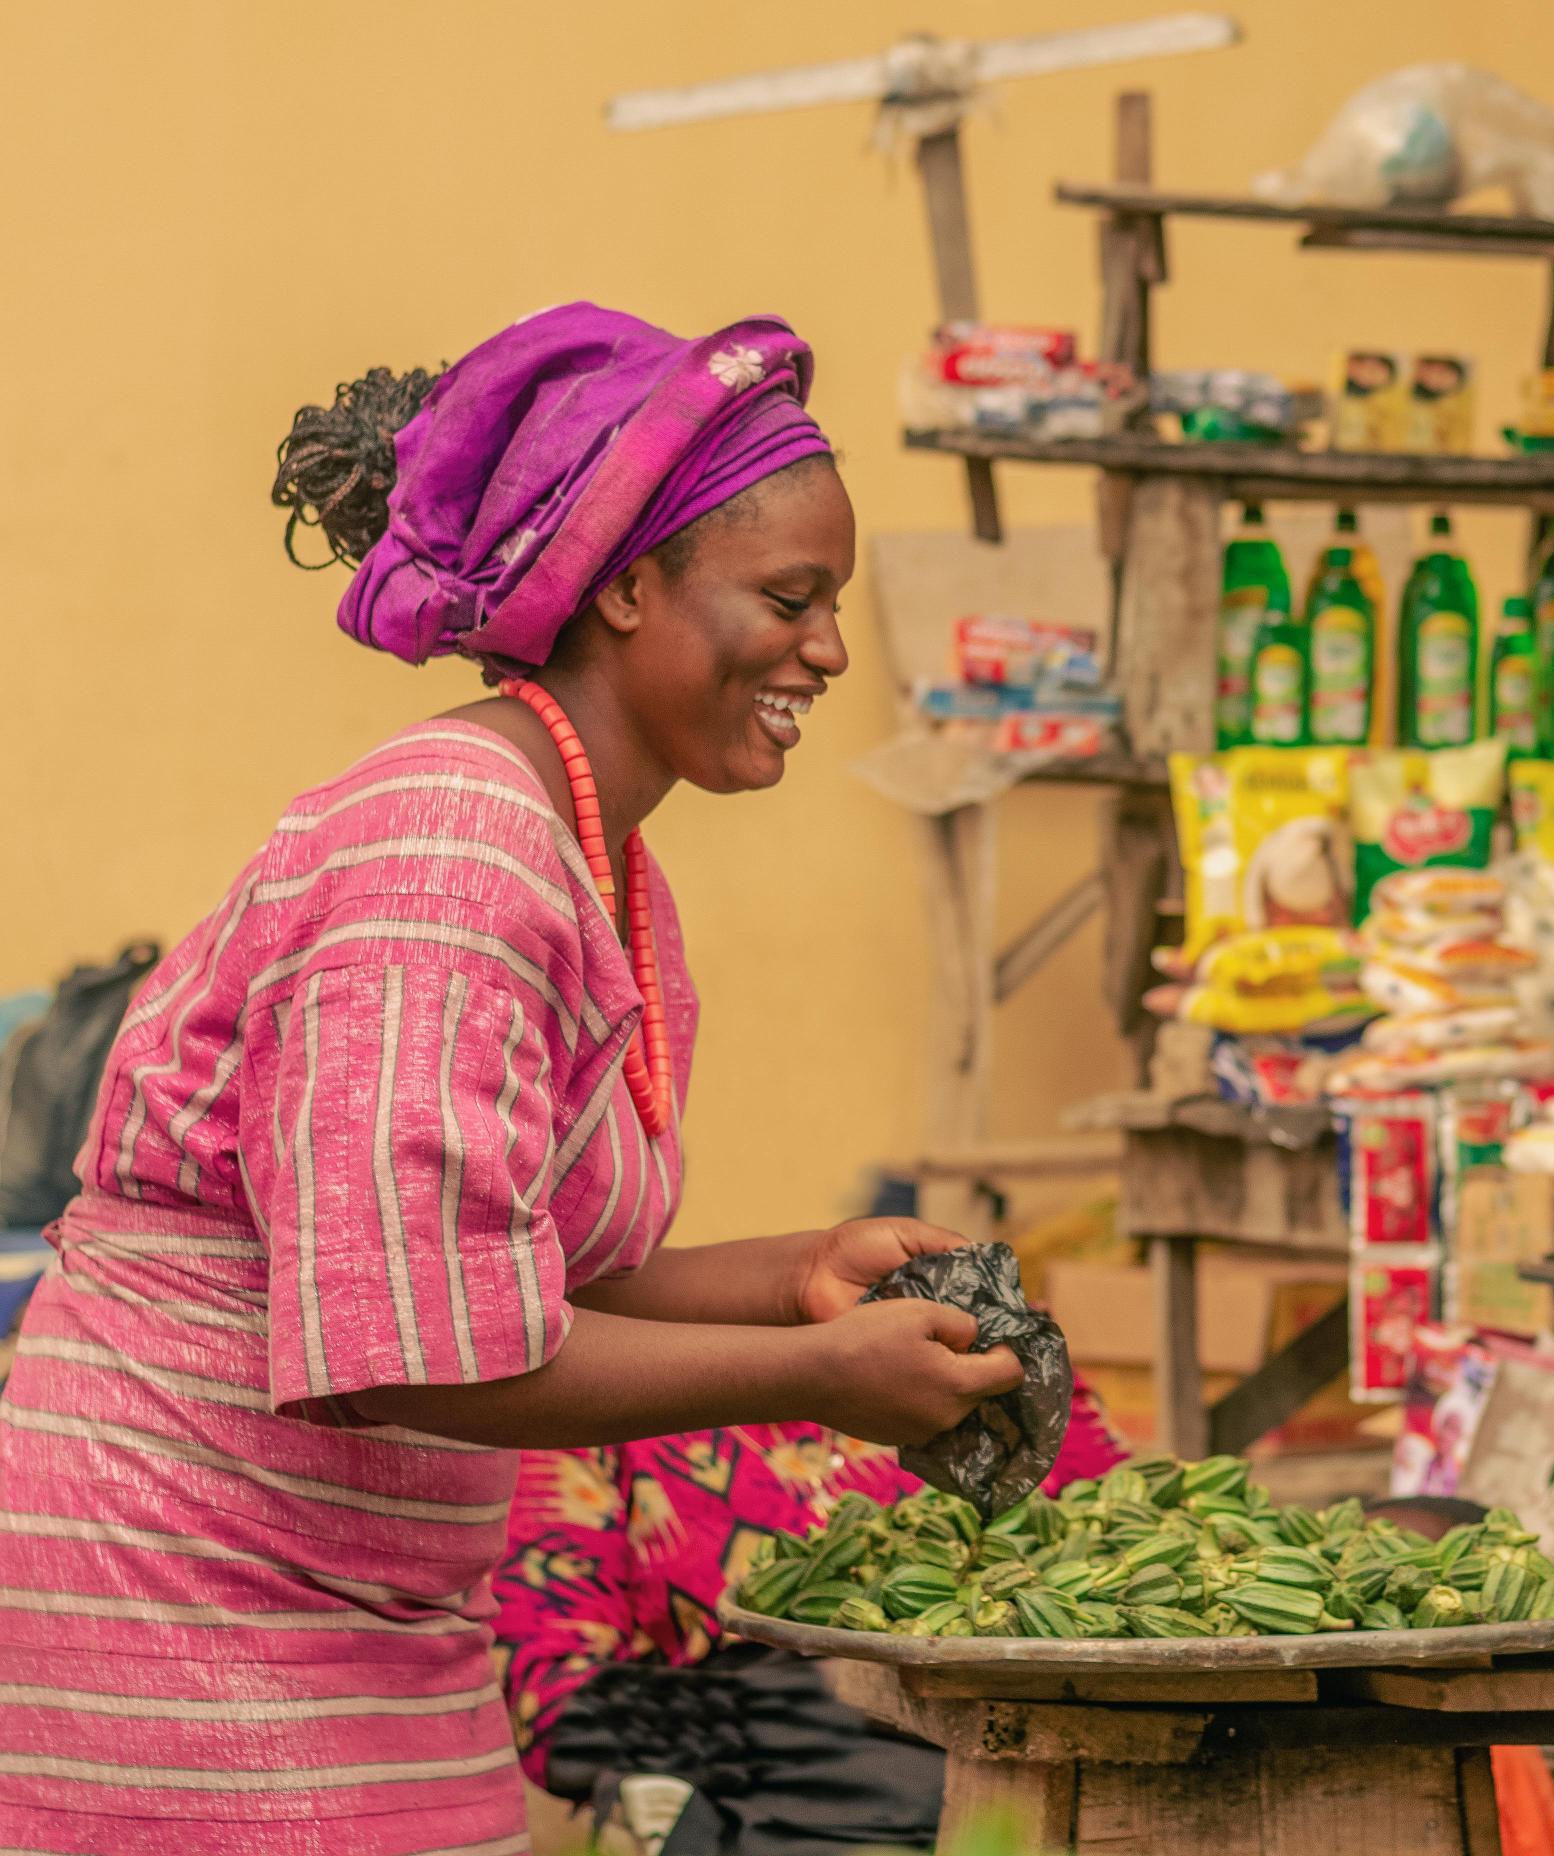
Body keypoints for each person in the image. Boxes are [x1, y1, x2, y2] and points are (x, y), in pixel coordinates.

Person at [0, 304, 1027, 1853]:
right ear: (627, 585)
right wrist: (817, 1377)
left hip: (372, 1619)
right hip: (189, 1617)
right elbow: (402, 1349)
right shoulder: (450, 850)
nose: (827, 647)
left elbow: (521, 1288)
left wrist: (798, 1278)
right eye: (791, 595)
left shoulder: (592, 859)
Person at [499, 1396, 1126, 1852]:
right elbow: (553, 1707)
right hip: (794, 1755)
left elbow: (1129, 1532)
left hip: (1039, 1732)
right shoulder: (599, 1424)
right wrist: (808, 1705)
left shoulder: (987, 1375)